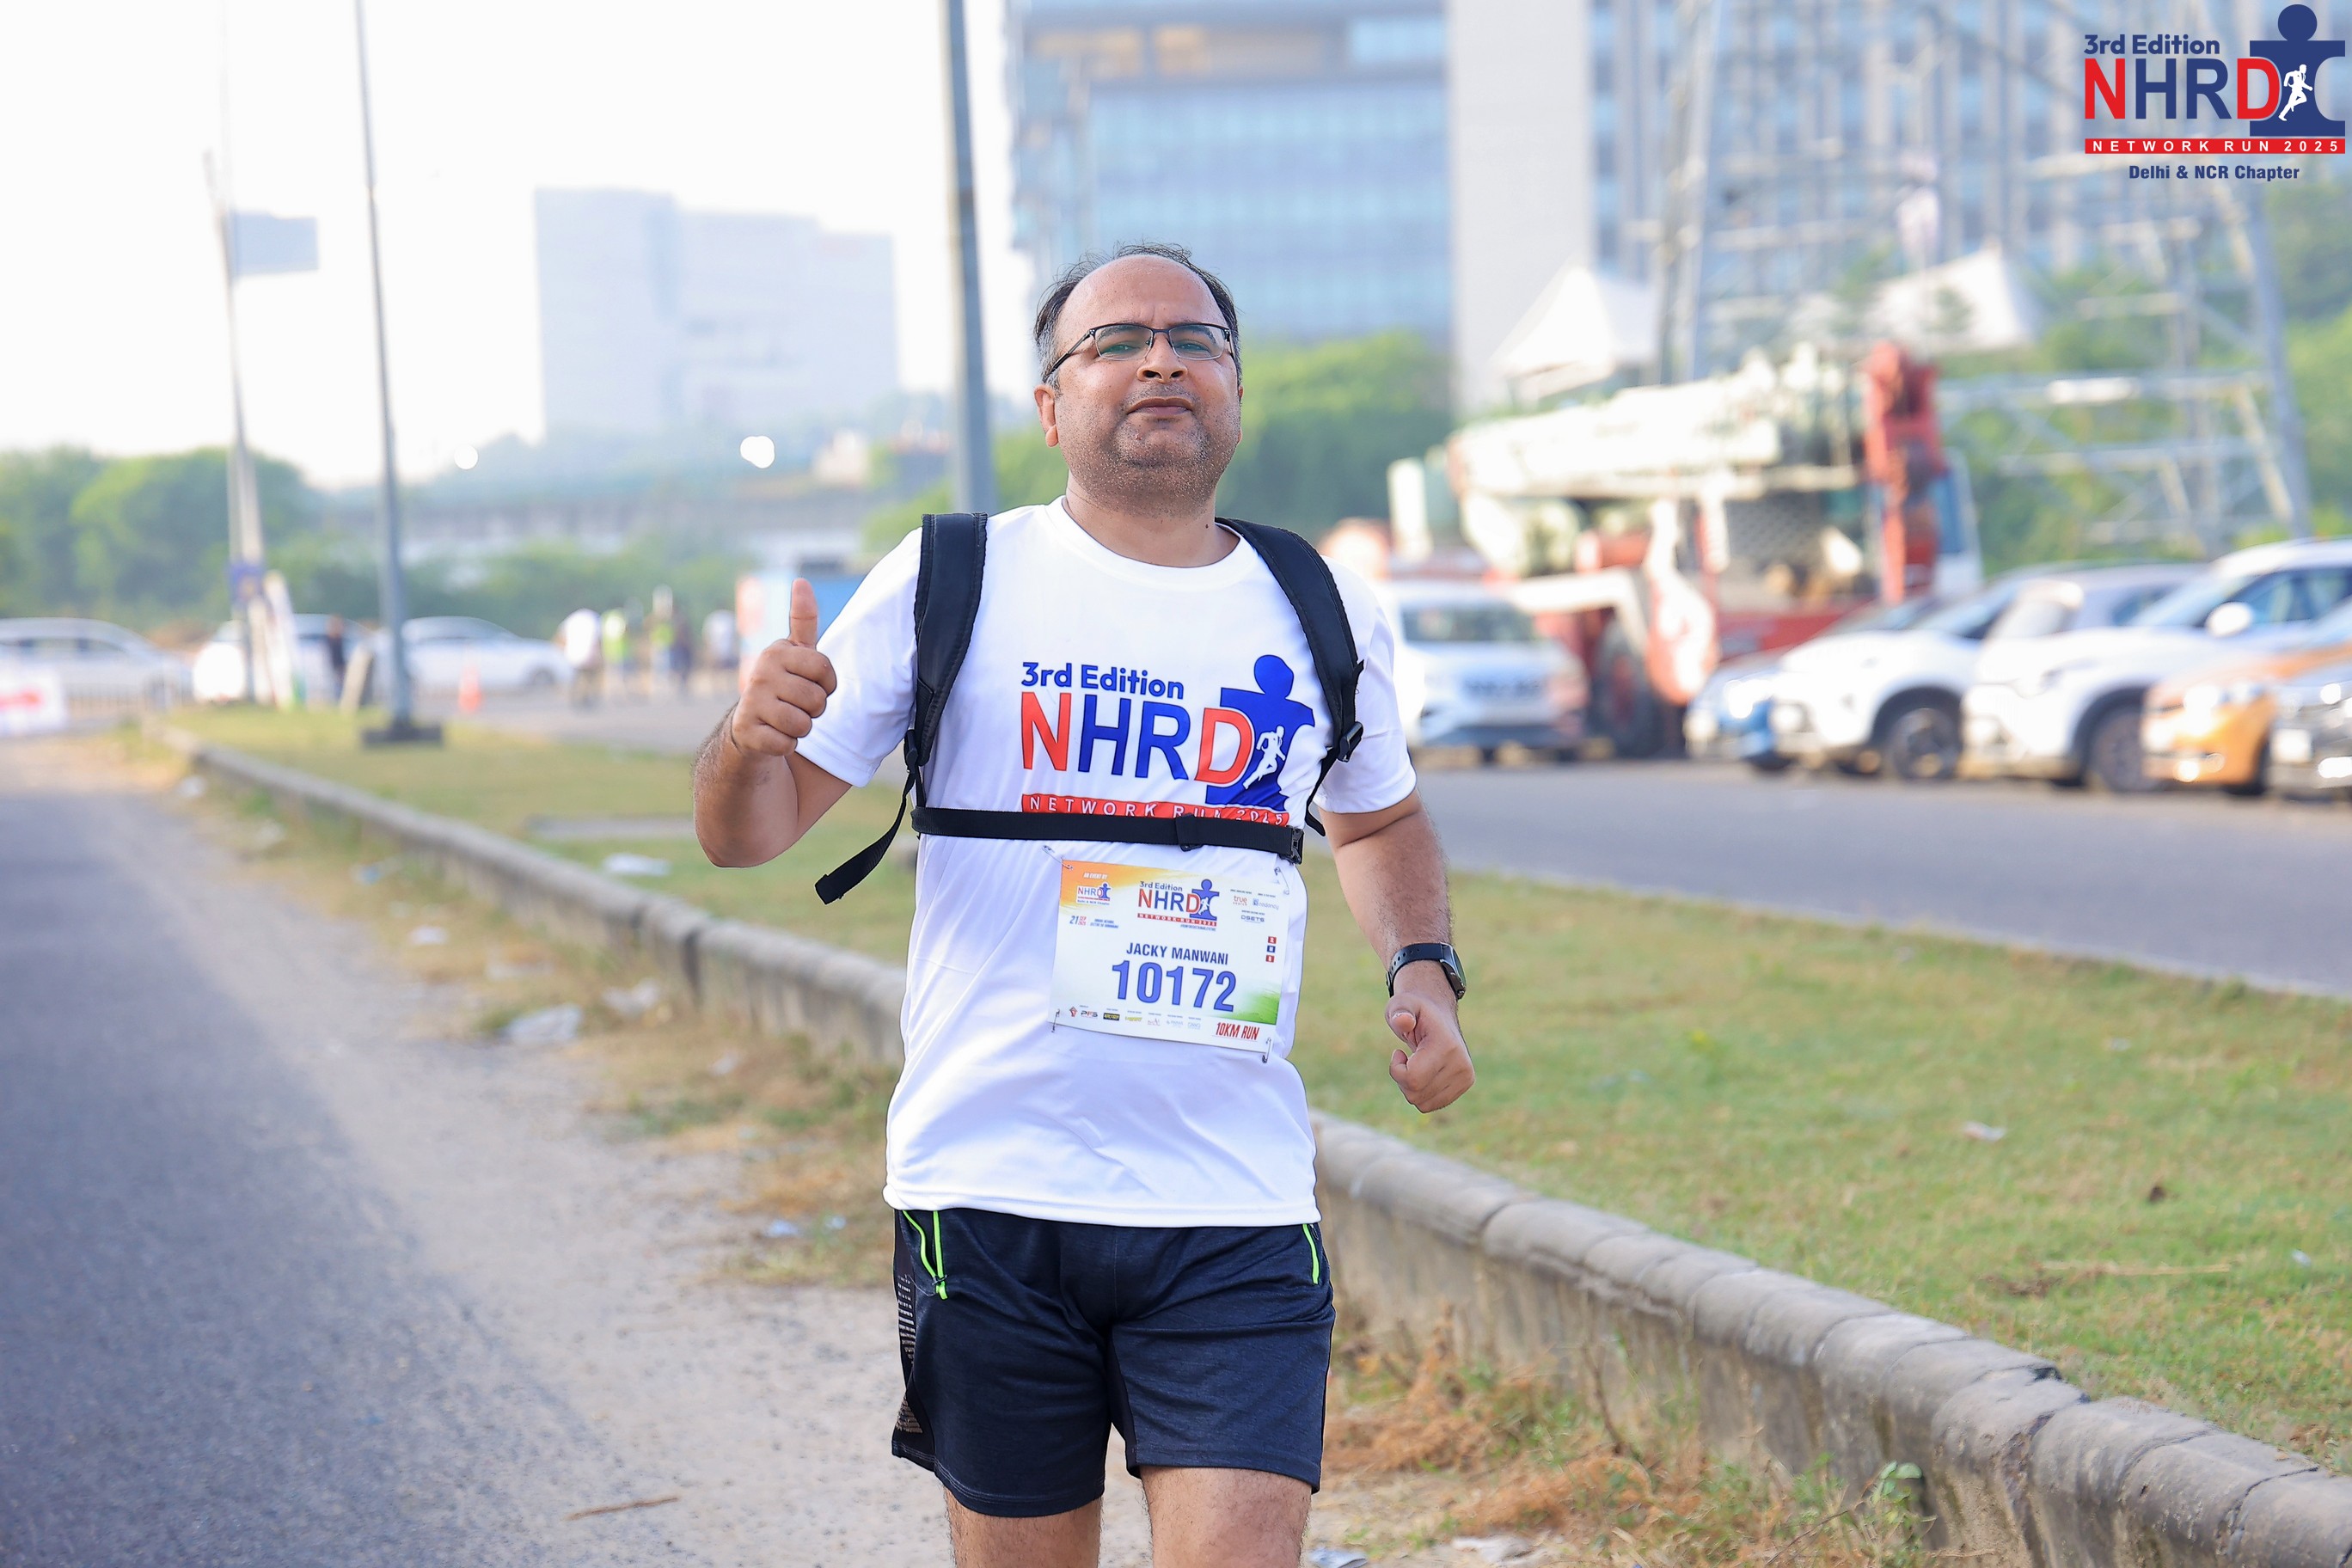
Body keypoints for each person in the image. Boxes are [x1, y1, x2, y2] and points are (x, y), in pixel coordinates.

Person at [692, 242, 1473, 1568]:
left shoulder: (1321, 604)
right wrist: (745, 737)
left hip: (1232, 1201)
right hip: (991, 1192)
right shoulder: (951, 577)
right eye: (1116, 341)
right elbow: (746, 834)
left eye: (1196, 339)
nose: (1162, 359)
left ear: (1235, 390)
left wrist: (1424, 970)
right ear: (1052, 406)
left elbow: (1378, 819)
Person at [560, 606, 602, 707]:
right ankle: (586, 698)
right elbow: (598, 639)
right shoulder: (594, 619)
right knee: (589, 678)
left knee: (576, 678)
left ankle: (575, 699)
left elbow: (561, 636)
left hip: (573, 654)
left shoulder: (572, 619)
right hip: (589, 655)